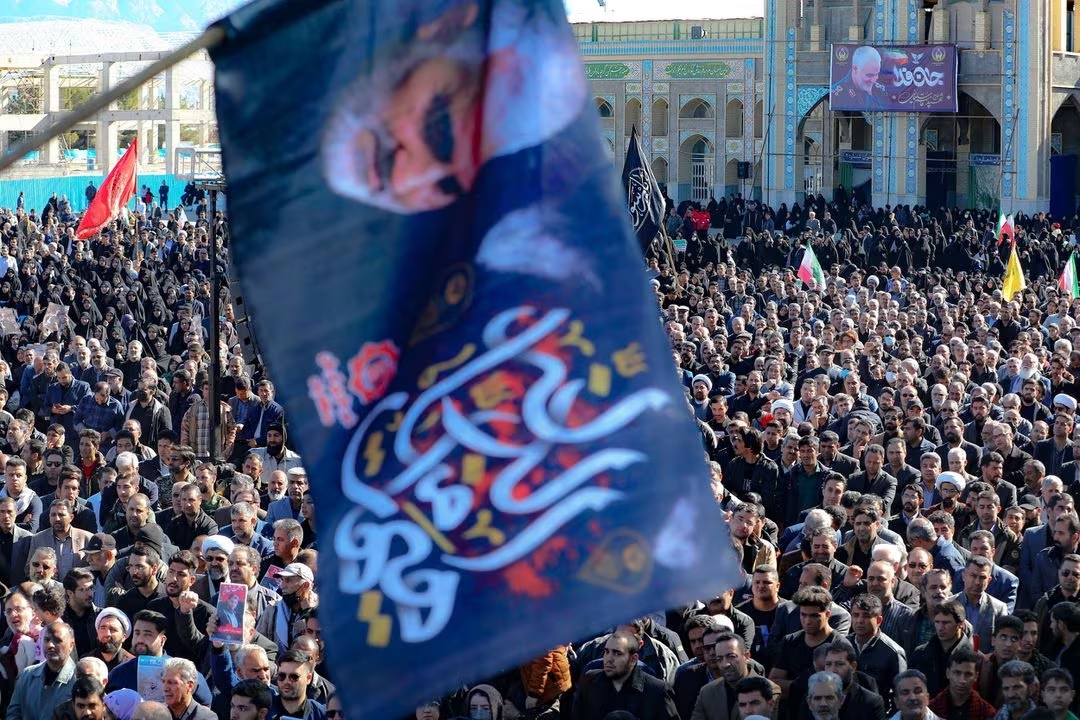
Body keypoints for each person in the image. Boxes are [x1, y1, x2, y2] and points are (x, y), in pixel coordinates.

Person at [572, 630, 678, 720]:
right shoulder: (590, 681)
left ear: (633, 659)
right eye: (607, 651)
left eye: (617, 653)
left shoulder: (657, 691)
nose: (609, 659)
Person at [7, 621, 78, 720]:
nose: (50, 645)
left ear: (71, 645)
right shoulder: (27, 675)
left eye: (57, 640)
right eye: (47, 640)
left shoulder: (78, 680)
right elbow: (13, 713)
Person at [926, 648, 994, 720]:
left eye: (968, 674)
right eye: (957, 673)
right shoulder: (931, 709)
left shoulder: (987, 713)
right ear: (948, 673)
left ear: (976, 676)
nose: (962, 680)